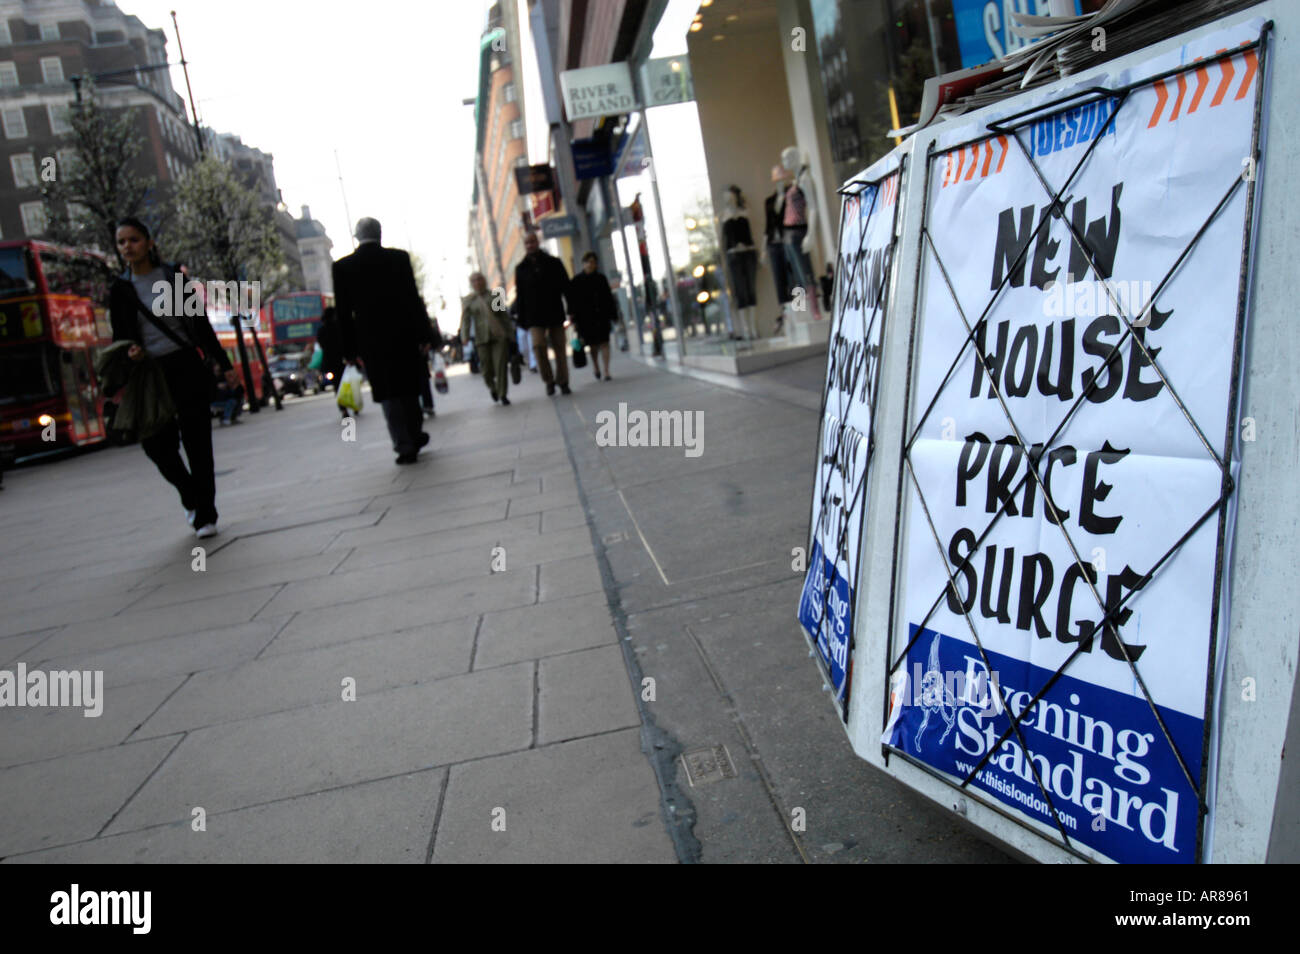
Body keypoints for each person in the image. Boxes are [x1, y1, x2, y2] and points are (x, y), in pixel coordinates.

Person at [109, 217, 239, 539]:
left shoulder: (173, 278)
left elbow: (202, 325)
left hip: (185, 366)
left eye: (134, 240)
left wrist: (225, 364)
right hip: (150, 373)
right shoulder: (120, 290)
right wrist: (130, 354)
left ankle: (205, 515)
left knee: (198, 444)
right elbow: (120, 337)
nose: (128, 247)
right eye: (122, 242)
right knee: (156, 444)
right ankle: (189, 494)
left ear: (149, 242)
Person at [332, 217, 435, 465]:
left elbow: (343, 314)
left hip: (371, 340)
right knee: (409, 388)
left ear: (357, 236)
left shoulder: (343, 267)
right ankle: (415, 432)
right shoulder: (398, 259)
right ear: (380, 234)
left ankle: (403, 444)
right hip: (403, 335)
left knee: (388, 392)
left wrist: (348, 350)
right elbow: (413, 298)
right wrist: (424, 335)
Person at [514, 231, 572, 396]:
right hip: (534, 317)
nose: (530, 245)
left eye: (532, 242)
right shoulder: (521, 269)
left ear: (537, 242)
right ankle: (549, 380)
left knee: (560, 348)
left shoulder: (554, 263)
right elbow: (520, 296)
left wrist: (571, 309)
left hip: (554, 311)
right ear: (524, 246)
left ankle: (563, 381)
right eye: (527, 243)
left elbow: (566, 287)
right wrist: (521, 319)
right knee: (538, 347)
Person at [460, 272, 513, 405]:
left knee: (500, 365)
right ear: (471, 284)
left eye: (479, 279)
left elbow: (503, 316)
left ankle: (503, 394)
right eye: (474, 281)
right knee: (486, 369)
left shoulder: (495, 295)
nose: (477, 282)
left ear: (484, 280)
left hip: (498, 336)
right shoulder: (469, 300)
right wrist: (464, 336)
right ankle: (493, 388)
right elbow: (465, 320)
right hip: (481, 338)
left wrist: (510, 334)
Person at [569, 251, 618, 381]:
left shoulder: (601, 278)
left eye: (594, 262)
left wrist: (613, 314)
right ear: (583, 264)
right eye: (589, 262)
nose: (591, 265)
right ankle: (596, 366)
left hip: (601, 316)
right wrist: (573, 317)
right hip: (586, 319)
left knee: (605, 343)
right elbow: (572, 301)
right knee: (593, 345)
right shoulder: (577, 281)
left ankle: (606, 370)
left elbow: (608, 298)